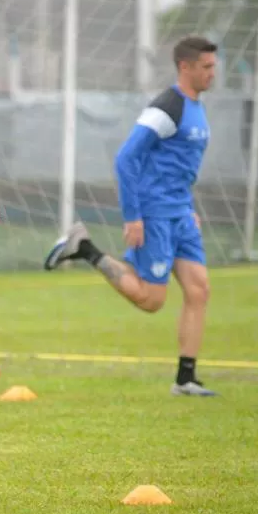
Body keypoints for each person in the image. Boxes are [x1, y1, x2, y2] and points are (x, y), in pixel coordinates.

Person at [44, 36, 217, 397]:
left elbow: (178, 166)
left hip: (181, 214)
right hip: (154, 214)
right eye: (206, 67)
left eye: (213, 66)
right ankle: (85, 248)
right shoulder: (167, 107)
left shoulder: (196, 106)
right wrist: (133, 216)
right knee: (152, 300)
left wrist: (188, 207)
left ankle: (185, 379)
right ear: (184, 67)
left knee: (199, 289)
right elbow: (126, 159)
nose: (212, 73)